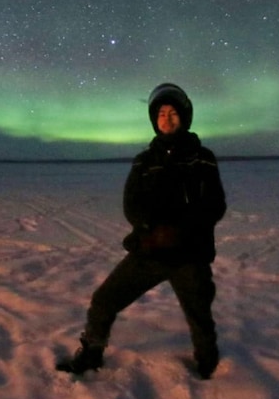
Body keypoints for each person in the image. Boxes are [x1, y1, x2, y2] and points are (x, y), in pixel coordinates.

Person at [56, 83, 227, 379]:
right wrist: (151, 229)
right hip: (150, 250)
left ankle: (209, 367)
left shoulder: (203, 157)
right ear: (154, 119)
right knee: (103, 300)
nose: (167, 119)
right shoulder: (144, 161)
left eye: (173, 113)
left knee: (200, 316)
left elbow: (214, 205)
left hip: (189, 254)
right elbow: (131, 205)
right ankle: (92, 353)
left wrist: (180, 230)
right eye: (161, 114)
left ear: (184, 117)